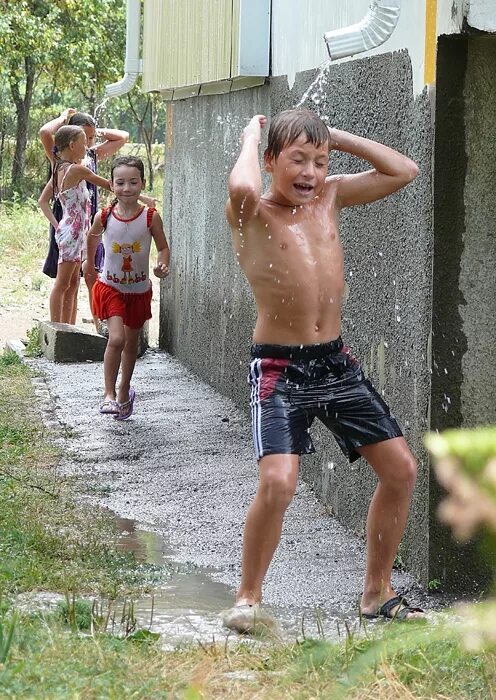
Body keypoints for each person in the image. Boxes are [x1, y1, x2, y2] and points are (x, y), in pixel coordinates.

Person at [223, 109, 424, 632]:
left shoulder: (330, 197)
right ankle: (248, 599)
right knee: (279, 481)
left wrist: (337, 137)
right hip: (279, 368)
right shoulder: (251, 212)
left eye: (320, 161)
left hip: (335, 361)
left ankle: (377, 592)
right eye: (297, 160)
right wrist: (250, 136)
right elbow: (243, 183)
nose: (311, 172)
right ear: (271, 161)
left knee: (401, 469)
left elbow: (404, 170)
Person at [84, 155, 170, 419]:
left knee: (132, 343)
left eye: (133, 182)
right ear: (111, 185)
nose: (127, 188)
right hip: (111, 287)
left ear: (142, 184)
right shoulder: (105, 216)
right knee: (117, 338)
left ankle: (124, 390)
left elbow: (163, 247)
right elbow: (92, 238)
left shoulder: (150, 217)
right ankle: (108, 394)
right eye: (120, 182)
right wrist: (89, 263)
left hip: (139, 290)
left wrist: (161, 265)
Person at [38, 126, 111, 324]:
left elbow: (42, 202)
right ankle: (56, 329)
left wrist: (58, 225)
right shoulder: (76, 170)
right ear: (72, 145)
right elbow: (109, 184)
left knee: (71, 283)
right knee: (63, 283)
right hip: (72, 233)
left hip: (73, 232)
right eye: (84, 142)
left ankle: (67, 327)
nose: (87, 146)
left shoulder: (59, 170)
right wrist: (139, 193)